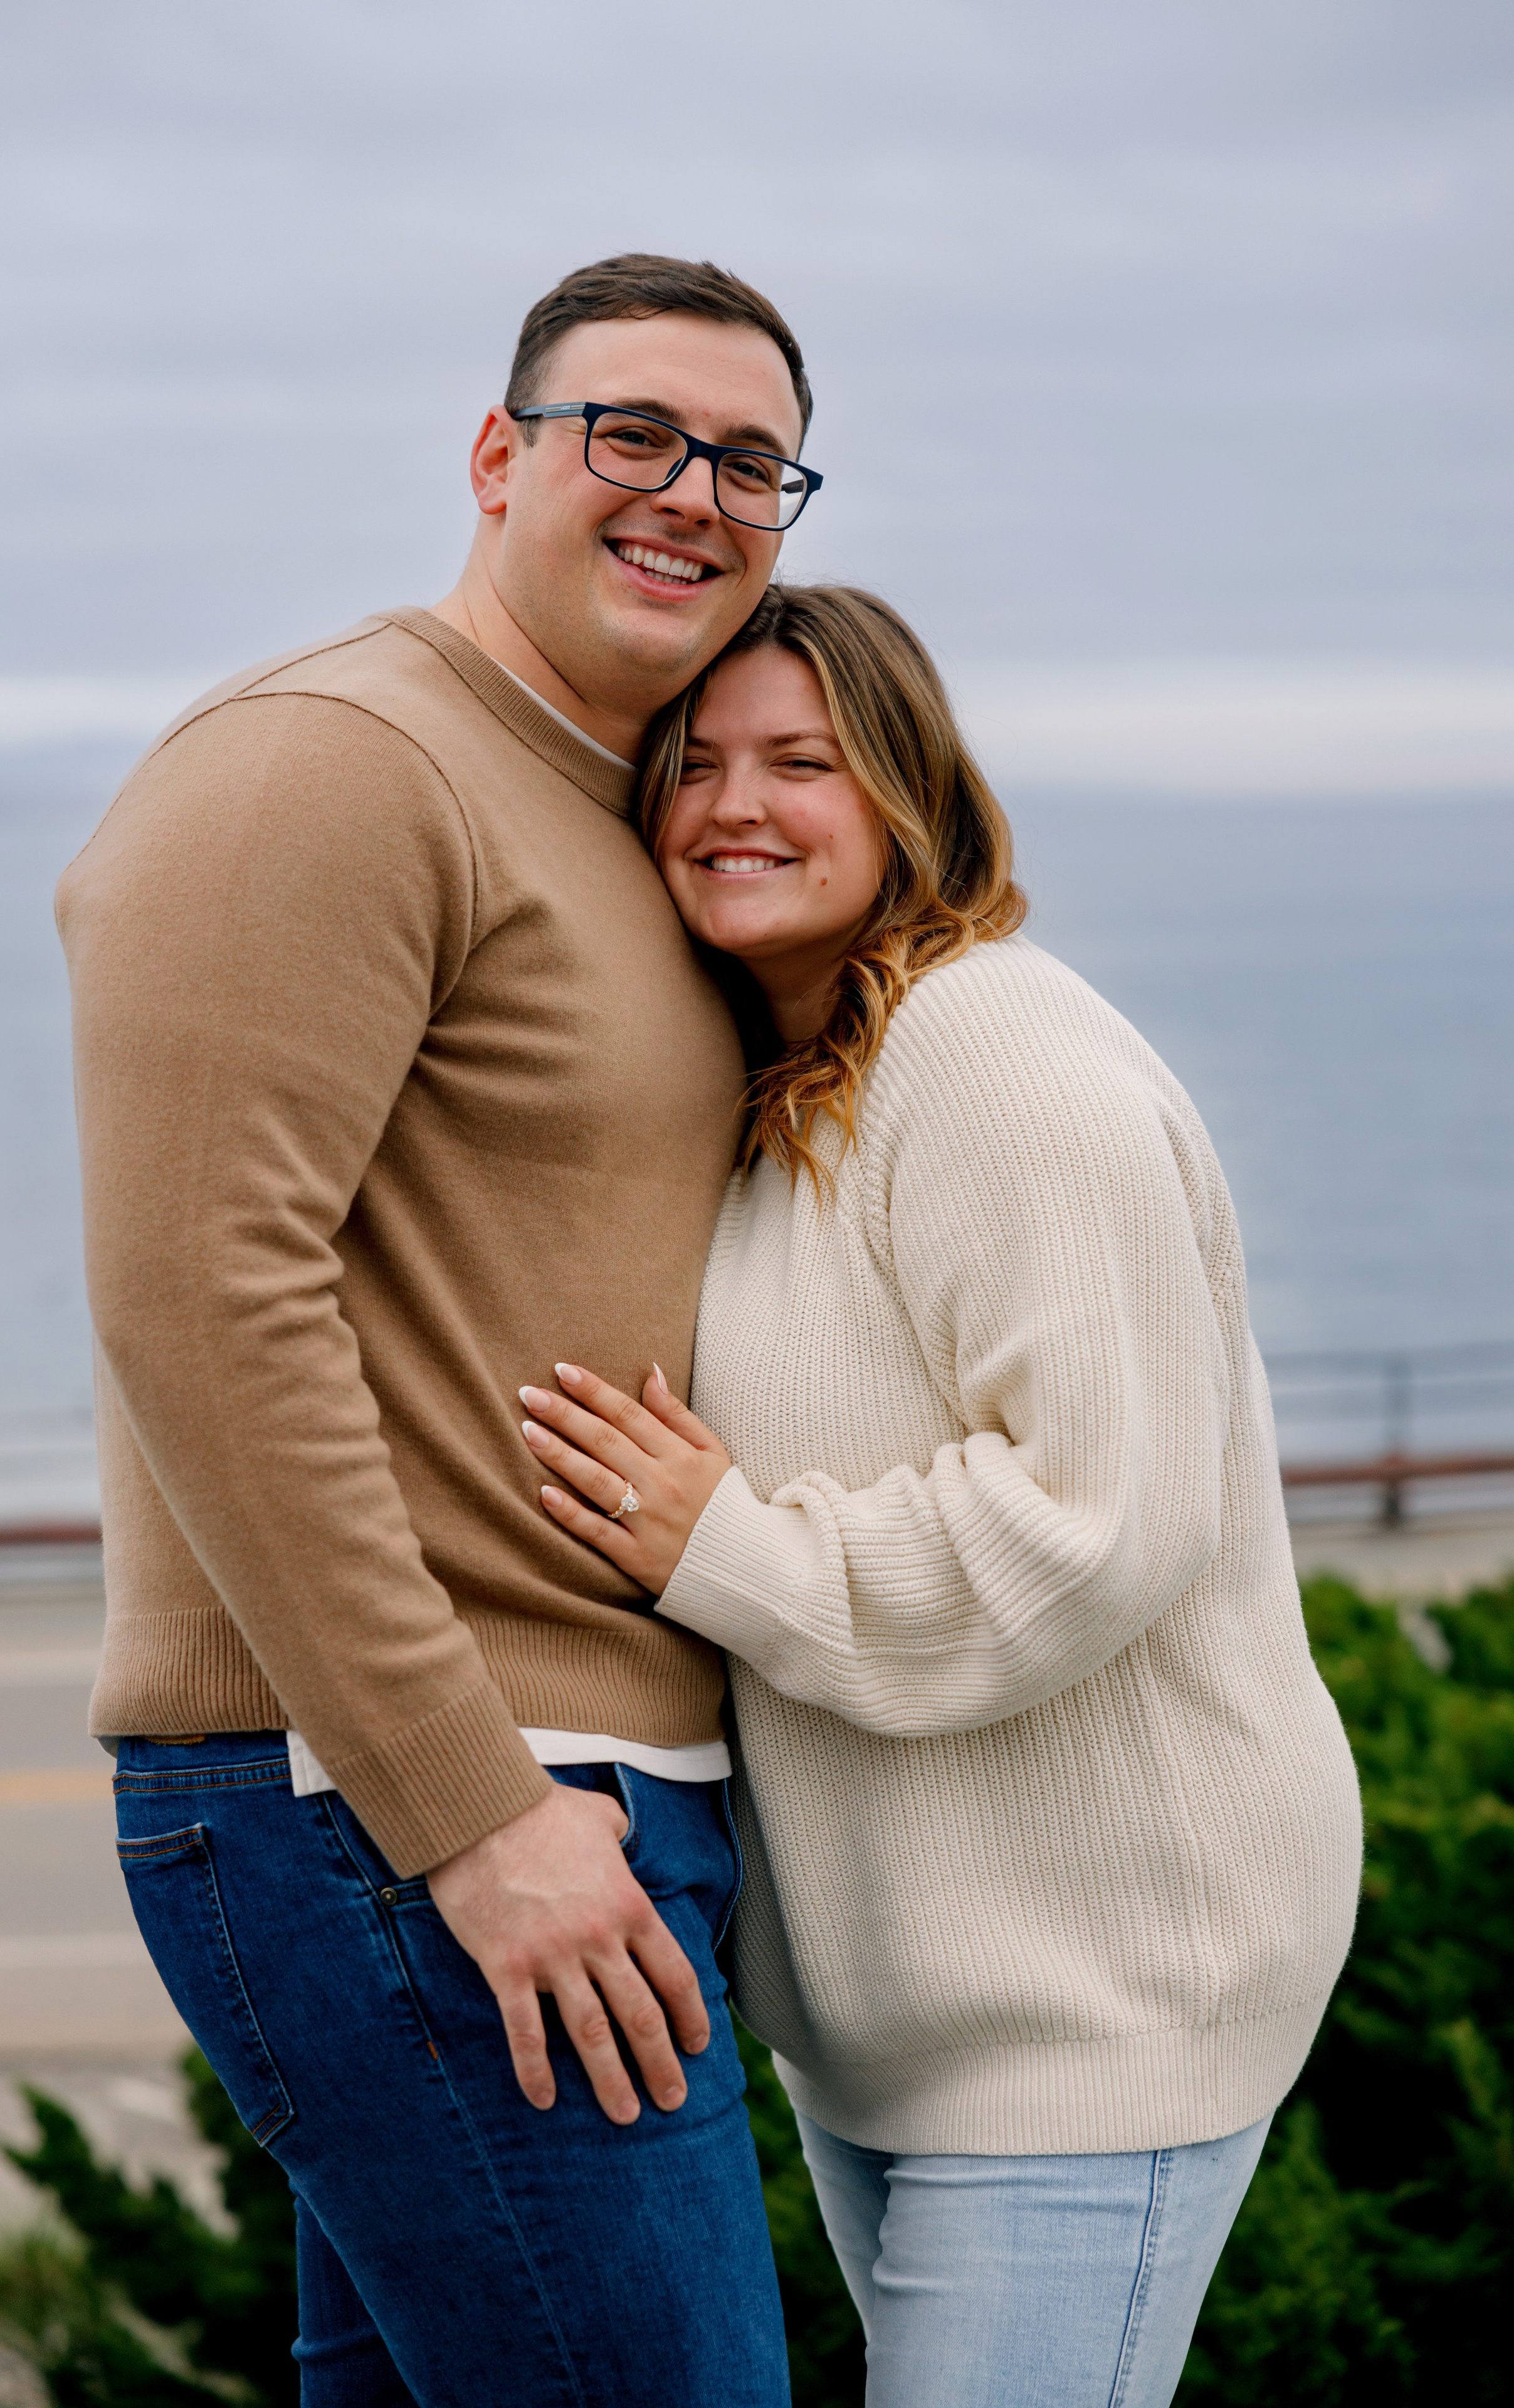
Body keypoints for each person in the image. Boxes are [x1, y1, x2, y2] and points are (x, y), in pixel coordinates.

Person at [57, 255, 826, 2408]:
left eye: (752, 459)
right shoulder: (325, 766)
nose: (694, 489)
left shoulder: (604, 804)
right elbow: (201, 1298)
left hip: (555, 1788)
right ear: (498, 460)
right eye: (633, 433)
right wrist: (470, 1812)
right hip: (402, 1795)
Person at [517, 583, 1365, 2408]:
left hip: (1102, 1991)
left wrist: (720, 1551)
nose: (737, 804)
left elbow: (1097, 1515)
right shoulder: (790, 1084)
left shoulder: (989, 1052)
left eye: (802, 762)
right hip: (903, 2009)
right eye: (695, 766)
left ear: (913, 796)